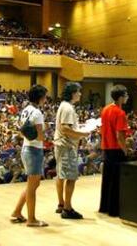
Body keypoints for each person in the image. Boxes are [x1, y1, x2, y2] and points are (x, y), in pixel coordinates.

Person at [12, 85, 49, 227]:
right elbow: (40, 137)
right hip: (34, 151)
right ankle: (31, 219)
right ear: (40, 98)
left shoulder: (25, 110)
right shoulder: (37, 113)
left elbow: (22, 131)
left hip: (26, 148)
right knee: (33, 187)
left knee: (32, 185)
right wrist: (45, 135)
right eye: (45, 97)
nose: (46, 99)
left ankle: (17, 212)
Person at [53, 82, 90, 219]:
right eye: (78, 92)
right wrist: (83, 134)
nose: (80, 94)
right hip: (66, 146)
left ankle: (61, 204)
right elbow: (65, 129)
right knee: (71, 177)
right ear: (73, 93)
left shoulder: (64, 105)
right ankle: (67, 209)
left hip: (61, 145)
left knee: (61, 174)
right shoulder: (68, 108)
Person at [99, 85, 129, 217]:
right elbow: (120, 136)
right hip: (116, 149)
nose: (127, 97)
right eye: (126, 95)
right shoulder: (120, 113)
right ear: (121, 97)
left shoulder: (105, 109)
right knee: (116, 181)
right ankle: (114, 210)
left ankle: (104, 207)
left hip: (106, 148)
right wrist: (125, 150)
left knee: (107, 179)